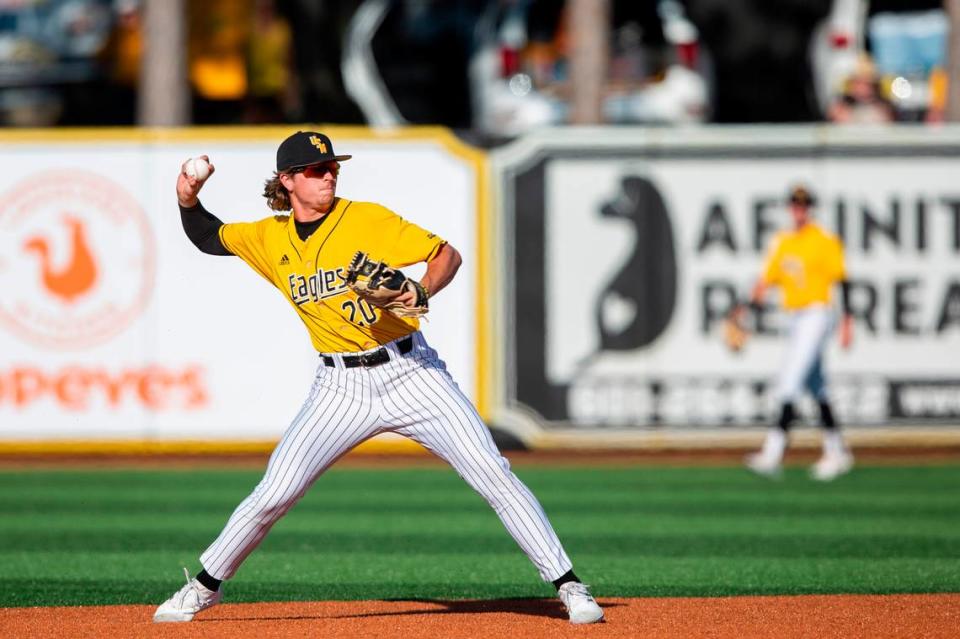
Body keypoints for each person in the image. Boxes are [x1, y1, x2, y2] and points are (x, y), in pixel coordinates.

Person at [153, 131, 604, 625]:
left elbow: (445, 254)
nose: (328, 175)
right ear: (286, 181)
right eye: (315, 170)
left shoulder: (365, 218)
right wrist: (187, 198)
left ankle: (568, 585)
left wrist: (422, 289)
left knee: (493, 472)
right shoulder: (269, 238)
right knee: (275, 492)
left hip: (411, 371)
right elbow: (209, 237)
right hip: (339, 387)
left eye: (332, 167)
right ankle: (203, 587)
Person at [740, 184, 855, 481]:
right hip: (794, 317)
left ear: (811, 209)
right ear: (790, 208)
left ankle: (773, 452)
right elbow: (765, 282)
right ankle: (837, 450)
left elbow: (843, 280)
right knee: (817, 387)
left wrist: (847, 321)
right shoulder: (783, 242)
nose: (799, 210)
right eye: (795, 205)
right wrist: (745, 310)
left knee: (789, 381)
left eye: (804, 205)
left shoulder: (824, 240)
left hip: (817, 314)